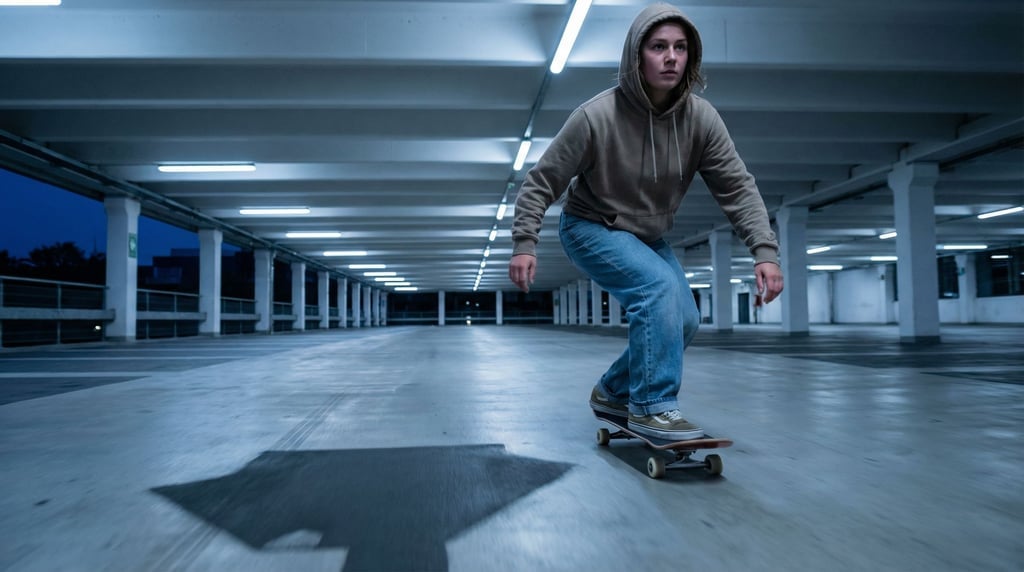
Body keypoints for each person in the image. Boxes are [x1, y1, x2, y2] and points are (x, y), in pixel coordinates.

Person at [508, 2, 784, 441]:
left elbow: (737, 186)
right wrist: (525, 242)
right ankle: (653, 407)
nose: (671, 57)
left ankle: (613, 391)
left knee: (685, 320)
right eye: (659, 47)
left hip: (647, 235)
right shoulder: (595, 117)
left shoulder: (701, 120)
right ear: (637, 55)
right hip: (589, 226)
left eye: (680, 47)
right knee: (657, 290)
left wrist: (764, 251)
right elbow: (542, 181)